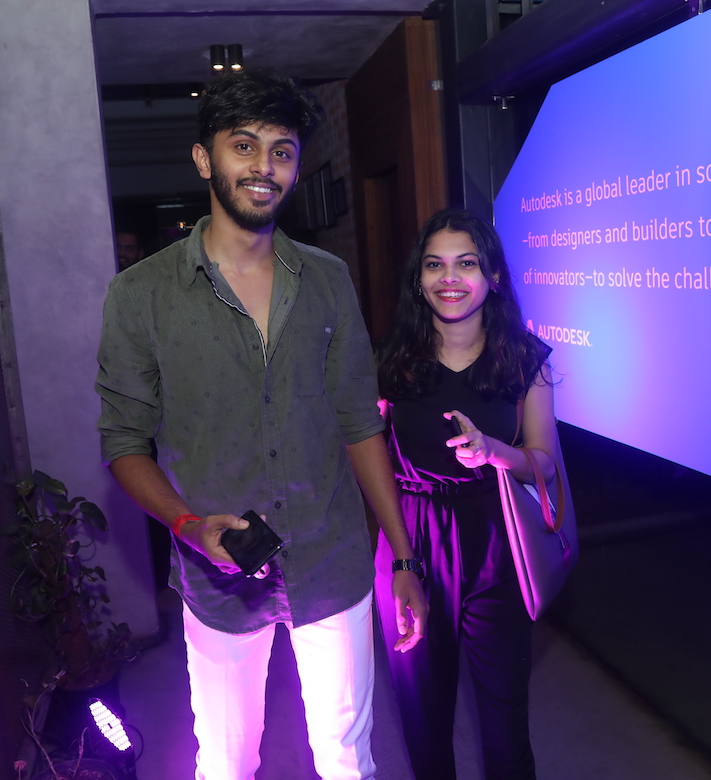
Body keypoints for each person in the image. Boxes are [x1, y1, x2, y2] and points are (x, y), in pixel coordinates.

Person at [95, 69, 427, 780]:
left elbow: (357, 420)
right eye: (243, 146)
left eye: (281, 150)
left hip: (331, 560)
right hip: (217, 580)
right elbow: (124, 442)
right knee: (225, 762)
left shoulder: (329, 277)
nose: (263, 167)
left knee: (348, 759)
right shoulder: (141, 295)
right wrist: (187, 525)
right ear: (204, 158)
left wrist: (402, 556)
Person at [374, 208, 556, 780]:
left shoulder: (526, 360)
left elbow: (544, 462)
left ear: (493, 275)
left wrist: (495, 451)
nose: (449, 278)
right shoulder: (390, 365)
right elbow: (370, 464)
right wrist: (402, 560)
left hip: (498, 545)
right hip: (410, 539)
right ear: (418, 278)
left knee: (506, 729)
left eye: (466, 263)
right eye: (435, 265)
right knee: (424, 722)